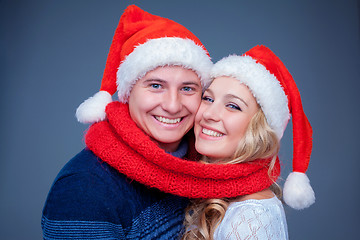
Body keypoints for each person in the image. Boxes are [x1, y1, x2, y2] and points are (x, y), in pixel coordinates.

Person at [41, 5, 213, 239]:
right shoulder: (85, 188)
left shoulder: (206, 164)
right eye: (155, 85)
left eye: (187, 88)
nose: (173, 105)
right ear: (128, 93)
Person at [182, 45, 315, 240]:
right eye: (208, 98)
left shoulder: (251, 217)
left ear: (259, 128)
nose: (209, 114)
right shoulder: (216, 192)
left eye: (233, 106)